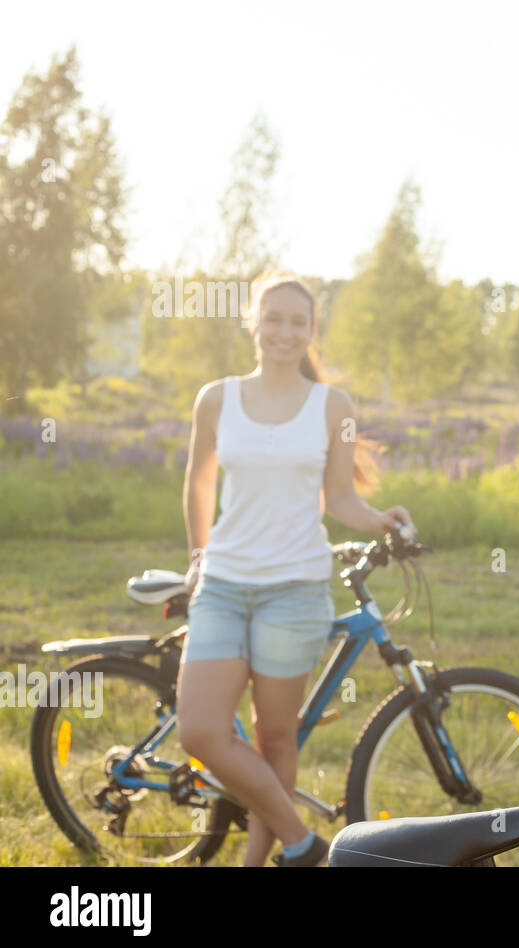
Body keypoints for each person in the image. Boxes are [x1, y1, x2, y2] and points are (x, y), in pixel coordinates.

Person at [176, 268, 414, 866]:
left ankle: (262, 864)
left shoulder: (333, 406)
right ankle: (305, 844)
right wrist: (198, 556)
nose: (285, 331)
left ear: (312, 331)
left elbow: (340, 499)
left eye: (298, 322)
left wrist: (383, 520)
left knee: (275, 738)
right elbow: (199, 481)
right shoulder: (217, 397)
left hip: (295, 589)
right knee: (201, 731)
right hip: (225, 586)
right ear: (252, 321)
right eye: (273, 318)